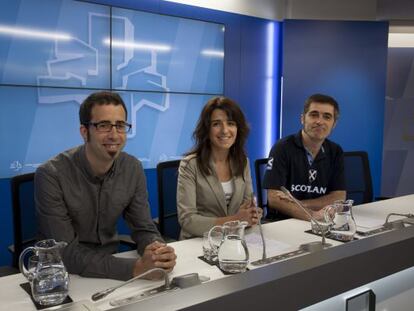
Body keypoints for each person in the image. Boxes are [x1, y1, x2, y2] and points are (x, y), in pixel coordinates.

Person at [35, 91, 176, 281]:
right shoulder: (51, 174)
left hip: (111, 267)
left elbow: (144, 228)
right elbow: (65, 252)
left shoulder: (132, 168)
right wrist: (135, 269)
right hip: (64, 276)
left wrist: (157, 251)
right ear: (84, 132)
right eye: (103, 126)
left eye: (120, 125)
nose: (114, 135)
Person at [177, 96, 262, 239]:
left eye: (231, 123)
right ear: (207, 129)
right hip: (200, 242)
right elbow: (188, 220)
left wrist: (252, 215)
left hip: (235, 239)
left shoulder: (243, 162)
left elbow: (247, 206)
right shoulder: (190, 165)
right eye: (216, 124)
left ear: (238, 128)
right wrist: (236, 220)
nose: (225, 130)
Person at [263, 93, 346, 220]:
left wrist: (301, 205)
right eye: (314, 115)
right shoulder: (282, 148)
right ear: (303, 118)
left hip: (322, 220)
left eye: (327, 117)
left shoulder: (336, 151)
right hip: (284, 222)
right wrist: (312, 215)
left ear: (334, 124)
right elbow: (274, 199)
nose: (319, 121)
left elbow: (339, 196)